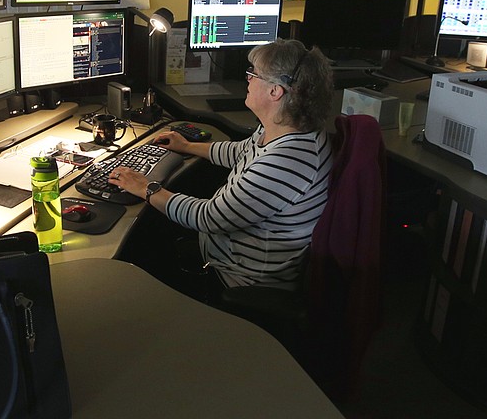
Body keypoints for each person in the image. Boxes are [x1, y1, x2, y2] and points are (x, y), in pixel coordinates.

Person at [108, 39, 334, 297]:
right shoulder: (287, 127)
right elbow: (242, 151)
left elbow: (208, 217)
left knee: (136, 260)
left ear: (276, 91)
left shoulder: (285, 161)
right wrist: (187, 146)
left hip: (239, 280)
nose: (247, 79)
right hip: (228, 250)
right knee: (152, 232)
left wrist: (146, 188)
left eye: (253, 74)